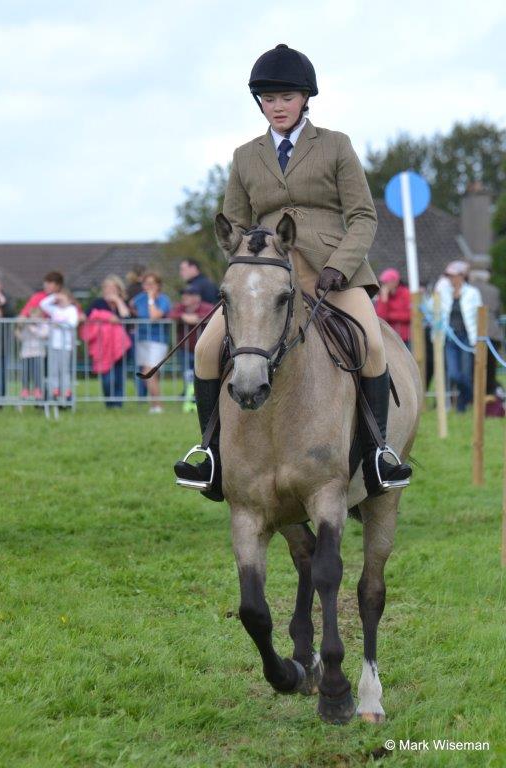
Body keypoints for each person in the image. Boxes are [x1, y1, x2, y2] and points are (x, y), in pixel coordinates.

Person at [174, 43, 411, 500]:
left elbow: (363, 217)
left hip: (330, 274)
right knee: (205, 349)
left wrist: (340, 266)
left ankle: (378, 455)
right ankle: (212, 457)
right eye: (269, 98)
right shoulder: (246, 156)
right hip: (268, 276)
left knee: (372, 345)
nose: (277, 106)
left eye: (286, 97)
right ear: (259, 102)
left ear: (305, 98)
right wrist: (245, 268)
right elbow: (234, 224)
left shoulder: (336, 145)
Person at [436, 260, 482, 412]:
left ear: (462, 276)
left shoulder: (473, 293)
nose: (450, 278)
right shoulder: (444, 292)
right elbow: (433, 309)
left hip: (467, 338)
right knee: (454, 374)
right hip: (450, 338)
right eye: (449, 276)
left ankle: (461, 407)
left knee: (466, 373)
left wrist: (478, 339)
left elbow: (479, 316)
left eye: (453, 275)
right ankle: (471, 395)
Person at [82, 275, 132, 407]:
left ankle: (118, 405)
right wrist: (106, 317)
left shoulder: (123, 302)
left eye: (112, 287)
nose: (109, 290)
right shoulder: (98, 303)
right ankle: (109, 402)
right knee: (107, 378)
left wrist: (118, 301)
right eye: (106, 287)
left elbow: (126, 317)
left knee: (119, 376)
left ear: (118, 289)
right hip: (102, 346)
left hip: (121, 345)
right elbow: (88, 317)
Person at [130, 272, 171, 414]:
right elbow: (131, 307)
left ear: (158, 285)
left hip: (158, 340)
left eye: (151, 284)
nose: (148, 286)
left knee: (148, 372)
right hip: (142, 339)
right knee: (151, 375)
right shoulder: (139, 298)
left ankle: (158, 405)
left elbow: (154, 316)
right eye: (146, 283)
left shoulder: (163, 299)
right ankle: (154, 405)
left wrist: (151, 299)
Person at [469, 267, 503, 400]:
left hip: (475, 333)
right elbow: (497, 311)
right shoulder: (494, 290)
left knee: (473, 368)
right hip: (493, 332)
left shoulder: (469, 289)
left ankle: (475, 397)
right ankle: (489, 395)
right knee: (491, 369)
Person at [168, 286, 215, 381]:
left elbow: (213, 314)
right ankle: (188, 390)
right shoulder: (180, 307)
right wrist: (183, 316)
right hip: (185, 349)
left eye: (188, 294)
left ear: (197, 297)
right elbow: (171, 315)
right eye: (183, 294)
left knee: (203, 376)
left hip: (203, 350)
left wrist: (197, 318)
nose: (184, 297)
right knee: (187, 376)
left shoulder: (206, 307)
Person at [39, 290, 79, 401]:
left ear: (69, 299)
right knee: (53, 370)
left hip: (65, 345)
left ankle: (66, 390)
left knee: (64, 370)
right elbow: (43, 304)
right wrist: (53, 296)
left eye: (63, 298)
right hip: (54, 344)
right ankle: (54, 390)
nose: (60, 300)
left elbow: (72, 324)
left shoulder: (72, 310)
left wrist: (59, 325)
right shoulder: (55, 309)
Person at [16, 307, 48, 400]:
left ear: (40, 317)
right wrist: (18, 333)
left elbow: (44, 334)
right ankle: (25, 390)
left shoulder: (44, 325)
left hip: (38, 353)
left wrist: (34, 329)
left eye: (36, 317)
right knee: (25, 373)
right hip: (26, 353)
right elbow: (23, 338)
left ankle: (37, 390)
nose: (33, 319)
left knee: (37, 373)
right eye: (31, 316)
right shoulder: (26, 325)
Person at [374, 268, 411, 347]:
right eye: (383, 283)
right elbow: (381, 318)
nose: (384, 285)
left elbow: (409, 315)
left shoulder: (405, 293)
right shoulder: (383, 296)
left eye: (386, 282)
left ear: (395, 282)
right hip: (388, 338)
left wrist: (390, 315)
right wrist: (384, 300)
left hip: (404, 338)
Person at [0, 271, 14, 401]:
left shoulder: (7, 298)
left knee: (0, 370)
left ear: (0, 285)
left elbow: (11, 314)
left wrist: (2, 301)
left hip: (1, 342)